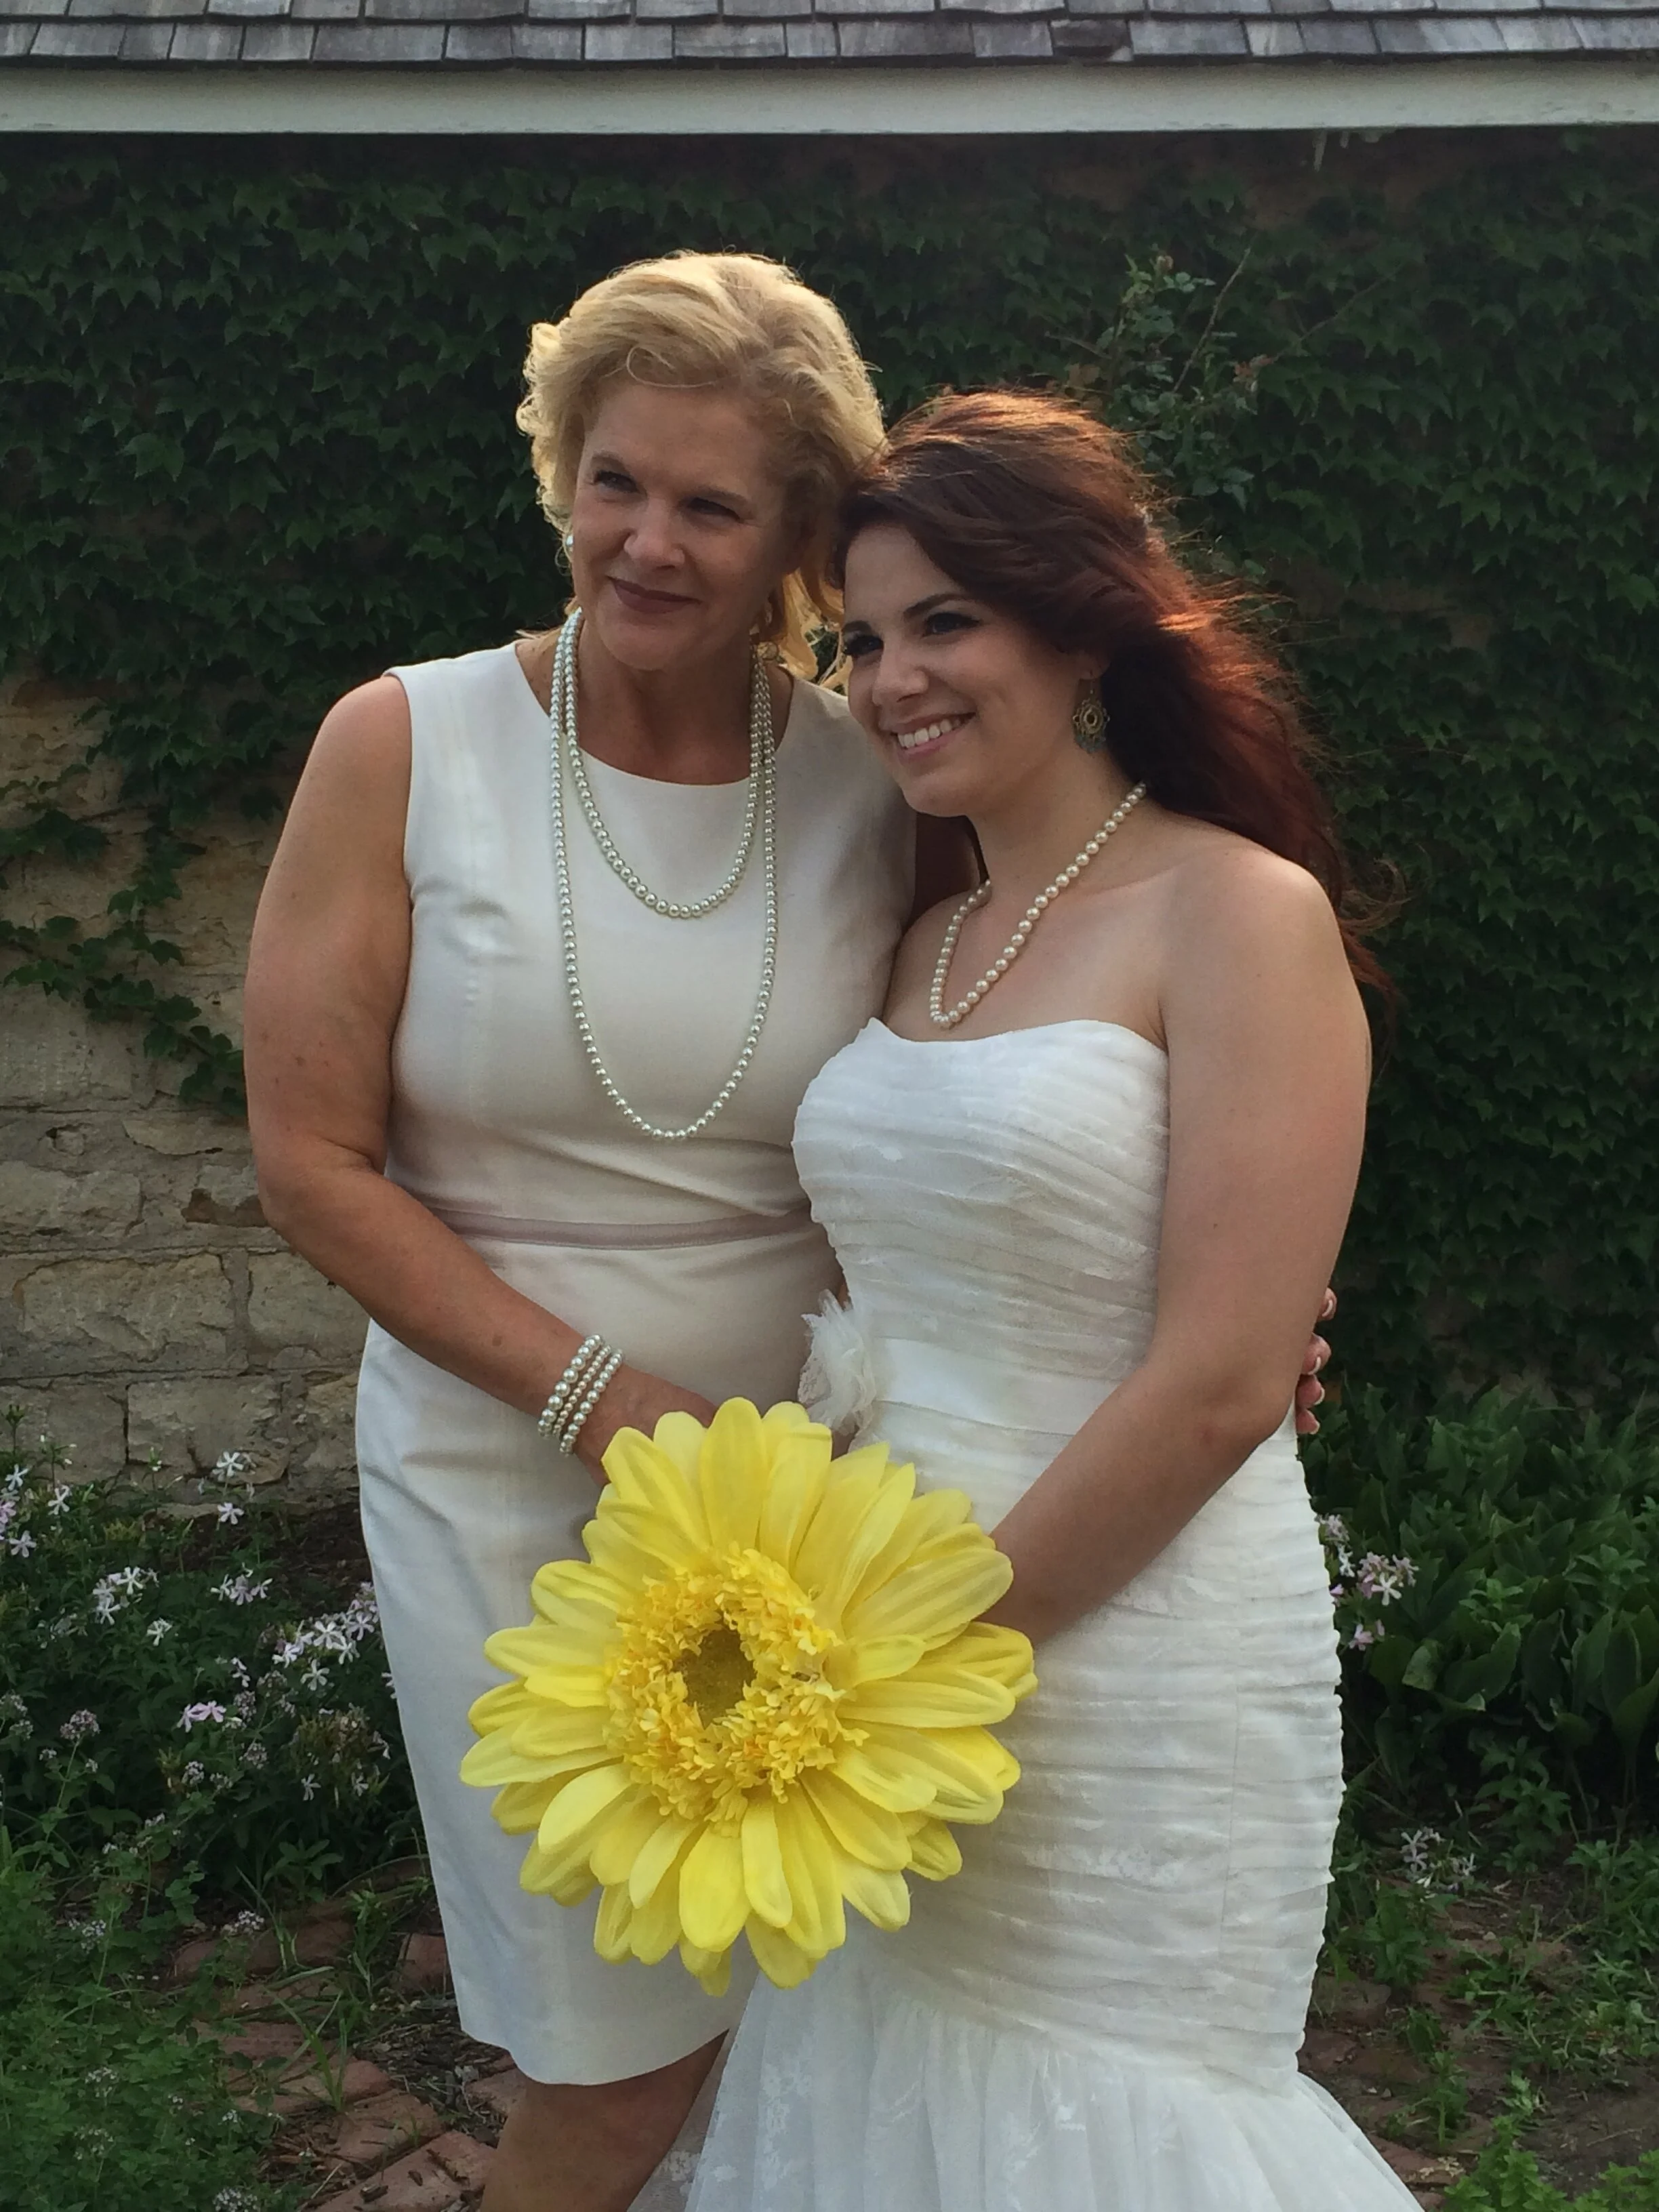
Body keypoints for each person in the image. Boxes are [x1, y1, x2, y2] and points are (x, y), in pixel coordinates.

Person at [245, 254, 1332, 2212]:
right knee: (621, 2054)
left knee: (825, 2041)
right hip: (522, 1461)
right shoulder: (403, 743)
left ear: (789, 549)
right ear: (563, 474)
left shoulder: (871, 777)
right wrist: (606, 1402)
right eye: (615, 482)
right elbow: (310, 1158)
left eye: (715, 505)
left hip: (845, 1517)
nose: (649, 541)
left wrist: (1213, 1337)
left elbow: (1051, 1105)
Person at [687, 392, 1415, 2211]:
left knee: (1120, 2112)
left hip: (1127, 1649)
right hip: (868, 1638)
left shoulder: (1238, 912)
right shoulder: (923, 934)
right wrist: (825, 1644)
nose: (894, 679)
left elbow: (1222, 1381)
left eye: (946, 621)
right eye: (862, 640)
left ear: (1084, 631)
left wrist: (918, 1660)